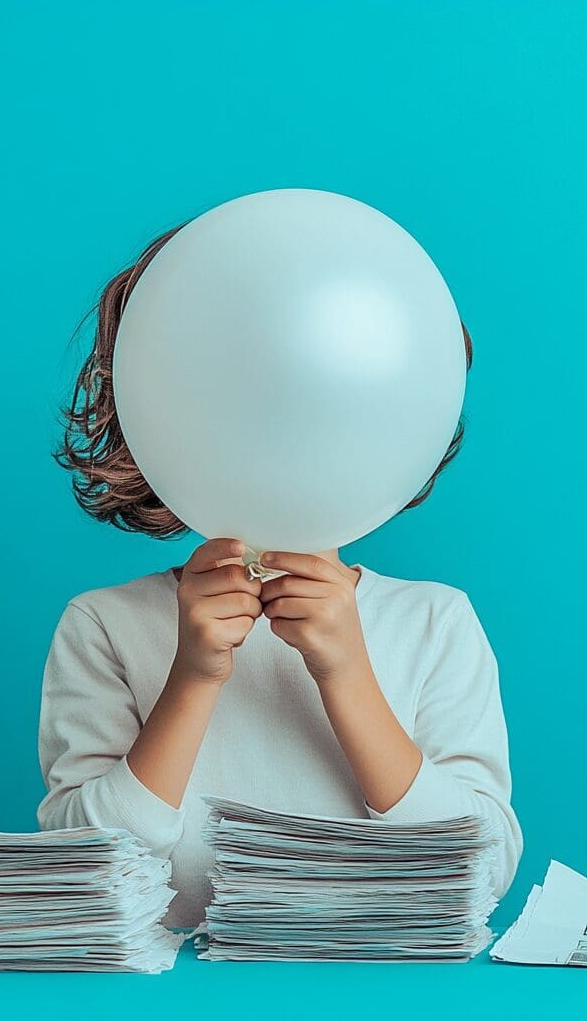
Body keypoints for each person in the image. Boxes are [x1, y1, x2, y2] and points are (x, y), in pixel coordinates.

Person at [37, 223, 522, 928]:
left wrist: (348, 671)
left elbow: (481, 872)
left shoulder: (436, 624)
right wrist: (193, 674)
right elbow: (83, 871)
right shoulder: (105, 627)